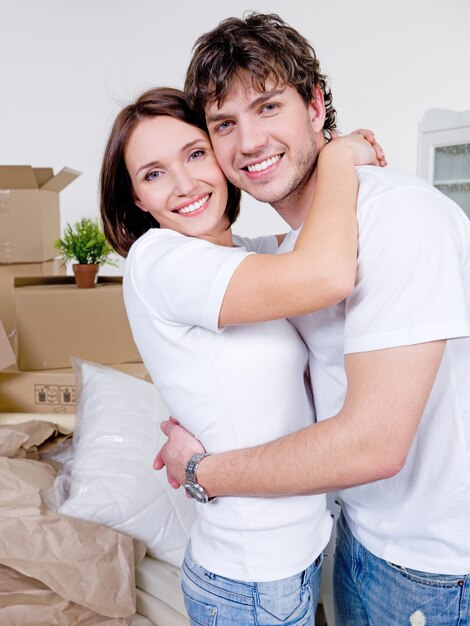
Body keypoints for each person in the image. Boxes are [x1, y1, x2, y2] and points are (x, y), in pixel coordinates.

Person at [155, 13, 470, 626]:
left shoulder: (403, 220)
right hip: (359, 539)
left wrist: (203, 472)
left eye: (268, 107)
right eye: (224, 124)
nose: (248, 143)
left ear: (315, 104)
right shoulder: (292, 251)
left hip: (432, 570)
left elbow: (374, 444)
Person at [99, 86, 381, 625]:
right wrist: (339, 155)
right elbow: (327, 271)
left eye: (195, 154)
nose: (185, 185)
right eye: (153, 174)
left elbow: (313, 237)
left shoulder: (238, 256)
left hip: (290, 560)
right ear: (137, 199)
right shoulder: (160, 259)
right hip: (250, 580)